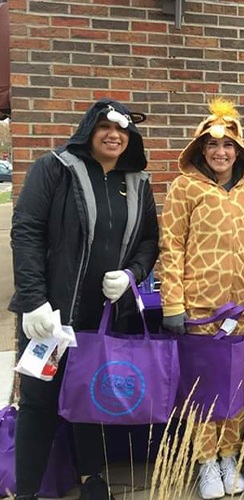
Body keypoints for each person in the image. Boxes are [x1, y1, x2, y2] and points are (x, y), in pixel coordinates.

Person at [9, 99, 159, 500]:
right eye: (105, 128)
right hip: (51, 318)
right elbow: (26, 231)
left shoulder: (137, 182)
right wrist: (33, 299)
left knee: (90, 398)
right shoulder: (54, 169)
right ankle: (27, 492)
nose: (114, 136)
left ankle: (91, 477)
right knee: (39, 404)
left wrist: (132, 275)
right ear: (89, 130)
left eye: (123, 130)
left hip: (102, 318)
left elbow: (149, 242)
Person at [158, 98, 244, 499]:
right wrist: (173, 303)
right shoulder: (185, 186)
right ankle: (204, 462)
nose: (221, 153)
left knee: (240, 385)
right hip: (200, 308)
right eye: (212, 146)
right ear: (201, 150)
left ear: (239, 150)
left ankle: (228, 455)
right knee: (203, 388)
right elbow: (171, 246)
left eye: (228, 146)